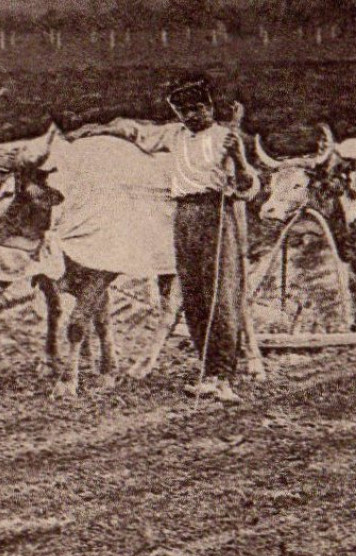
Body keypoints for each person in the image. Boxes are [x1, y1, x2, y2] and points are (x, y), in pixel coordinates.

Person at [70, 74, 258, 403]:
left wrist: (239, 160)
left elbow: (248, 187)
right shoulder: (175, 135)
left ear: (209, 107)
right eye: (184, 111)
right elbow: (136, 132)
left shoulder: (227, 138)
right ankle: (207, 372)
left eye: (197, 109)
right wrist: (97, 129)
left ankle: (224, 376)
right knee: (194, 296)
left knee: (219, 293)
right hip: (184, 214)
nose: (192, 116)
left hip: (215, 211)